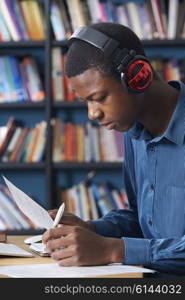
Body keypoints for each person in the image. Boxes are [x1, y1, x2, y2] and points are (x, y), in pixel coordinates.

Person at [43, 22, 185, 276]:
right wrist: (93, 230)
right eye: (85, 101)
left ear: (138, 77)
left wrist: (112, 249)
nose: (92, 113)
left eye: (99, 98)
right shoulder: (134, 131)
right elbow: (141, 219)